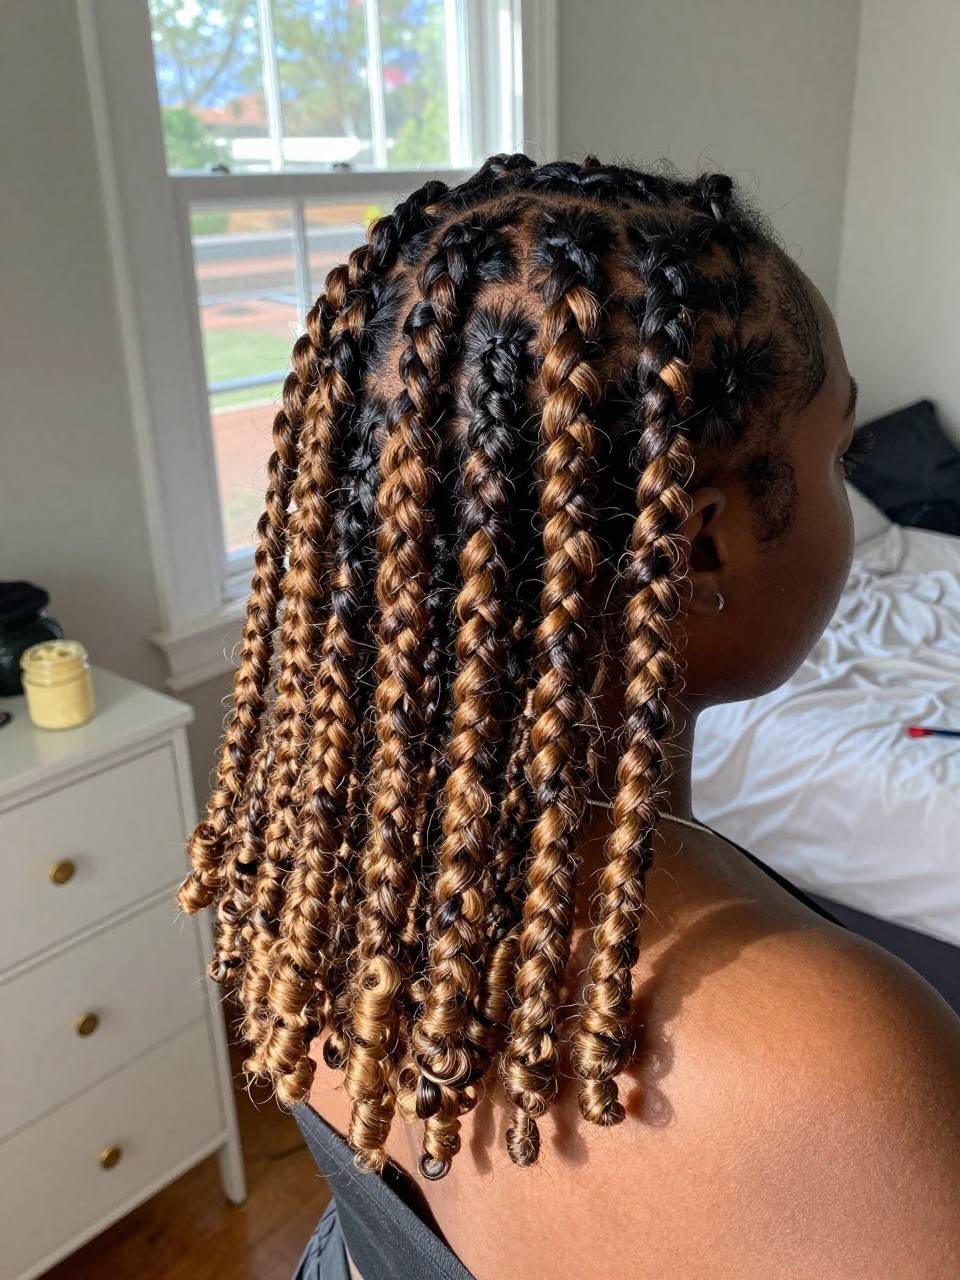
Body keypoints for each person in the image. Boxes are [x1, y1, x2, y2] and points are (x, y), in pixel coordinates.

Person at [178, 154, 960, 1279]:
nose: (847, 487)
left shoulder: (308, 841)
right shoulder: (833, 1054)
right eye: (836, 454)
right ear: (695, 543)